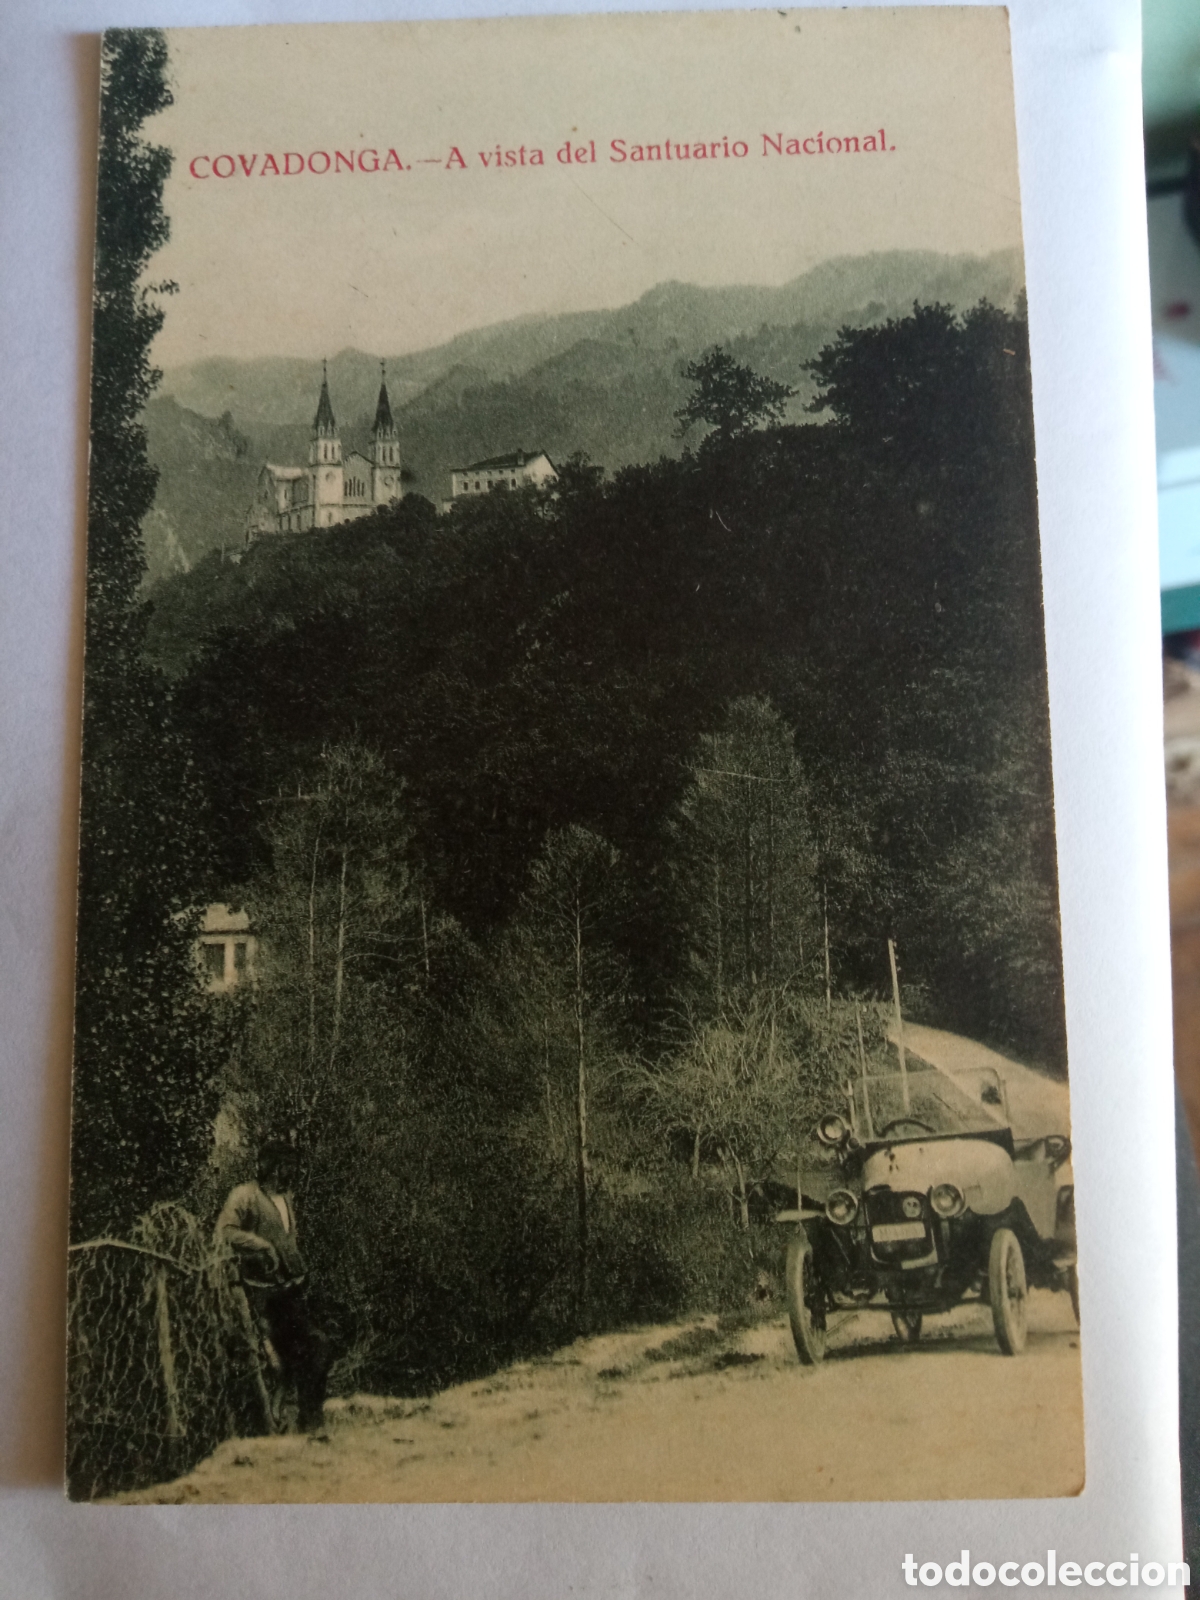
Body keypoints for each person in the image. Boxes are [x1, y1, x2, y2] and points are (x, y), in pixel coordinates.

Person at [216, 1140, 330, 1433]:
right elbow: (225, 1232)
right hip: (258, 1296)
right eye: (284, 1167)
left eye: (291, 1167)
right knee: (274, 1363)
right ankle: (274, 1423)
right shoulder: (244, 1195)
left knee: (315, 1348)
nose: (289, 1173)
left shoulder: (287, 1198)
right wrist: (261, 1245)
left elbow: (288, 1240)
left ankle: (309, 1422)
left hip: (290, 1293)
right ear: (268, 1167)